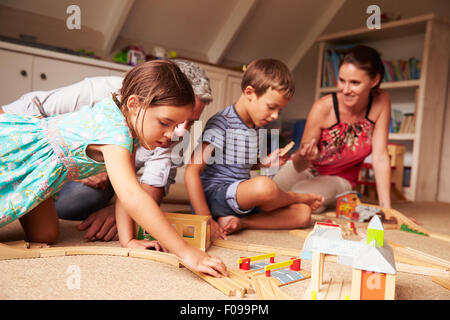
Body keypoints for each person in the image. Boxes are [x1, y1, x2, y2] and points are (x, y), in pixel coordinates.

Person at [0, 59, 228, 277]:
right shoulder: (115, 132)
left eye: (177, 126)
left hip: (43, 171)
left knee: (45, 234)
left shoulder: (126, 121)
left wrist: (127, 240)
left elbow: (123, 192)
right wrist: (186, 252)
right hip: (17, 152)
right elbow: (132, 196)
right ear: (134, 104)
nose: (172, 135)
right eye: (165, 123)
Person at [185, 58, 324, 241]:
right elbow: (191, 171)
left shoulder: (256, 126)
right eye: (271, 107)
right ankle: (296, 196)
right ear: (249, 93)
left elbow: (239, 165)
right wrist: (206, 220)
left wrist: (264, 163)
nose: (274, 115)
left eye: (279, 111)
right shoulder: (222, 123)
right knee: (265, 187)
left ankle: (240, 222)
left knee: (303, 214)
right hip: (216, 195)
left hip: (238, 200)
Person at [273, 45, 392, 213]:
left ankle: (314, 204)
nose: (345, 89)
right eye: (342, 80)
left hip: (339, 179)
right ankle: (315, 204)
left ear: (374, 80)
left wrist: (386, 210)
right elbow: (300, 165)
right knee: (267, 193)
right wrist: (303, 155)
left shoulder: (381, 101)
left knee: (296, 199)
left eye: (355, 83)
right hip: (305, 169)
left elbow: (380, 157)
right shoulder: (323, 108)